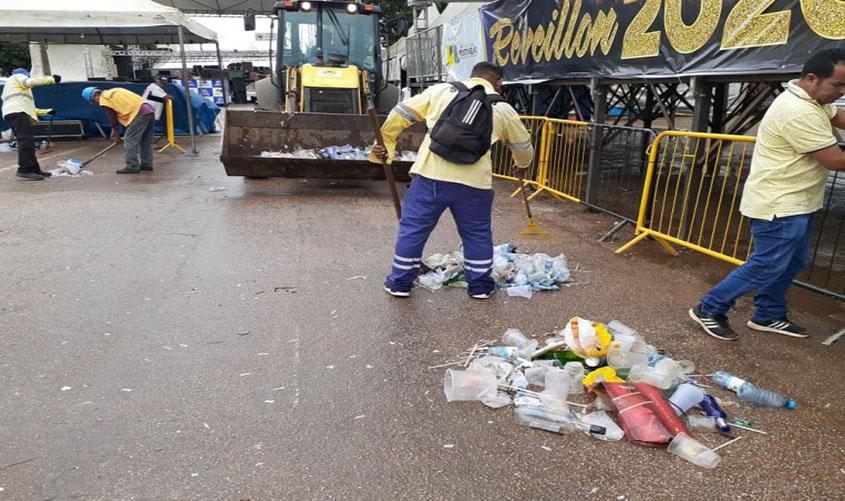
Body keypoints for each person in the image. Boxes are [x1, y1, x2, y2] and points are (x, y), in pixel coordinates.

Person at [689, 49, 845, 341]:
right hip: (780, 205)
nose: (841, 92)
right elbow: (836, 160)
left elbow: (839, 117)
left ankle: (768, 314)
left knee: (793, 262)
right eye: (837, 85)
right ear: (811, 78)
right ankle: (709, 308)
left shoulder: (813, 99)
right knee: (766, 264)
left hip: (799, 202)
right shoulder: (797, 111)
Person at [370, 62, 534, 299]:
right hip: (474, 183)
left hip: (430, 176)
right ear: (498, 83)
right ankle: (479, 287)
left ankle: (399, 283)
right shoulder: (503, 109)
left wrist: (386, 146)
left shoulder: (442, 91)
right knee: (476, 234)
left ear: (472, 75)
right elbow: (523, 146)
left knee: (413, 230)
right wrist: (521, 165)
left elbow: (401, 112)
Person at [1, 69, 60, 180]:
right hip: (18, 113)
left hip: (15, 112)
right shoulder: (17, 77)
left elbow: (30, 108)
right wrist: (51, 79)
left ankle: (34, 169)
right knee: (25, 140)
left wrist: (47, 111)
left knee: (27, 141)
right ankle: (25, 170)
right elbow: (29, 82)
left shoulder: (14, 89)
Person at [82, 86, 156, 174]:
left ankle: (132, 166)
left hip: (138, 114)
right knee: (145, 141)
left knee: (130, 140)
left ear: (96, 95)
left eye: (94, 101)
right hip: (149, 111)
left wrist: (116, 136)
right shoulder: (115, 90)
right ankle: (146, 164)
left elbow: (113, 121)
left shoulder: (104, 100)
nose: (96, 103)